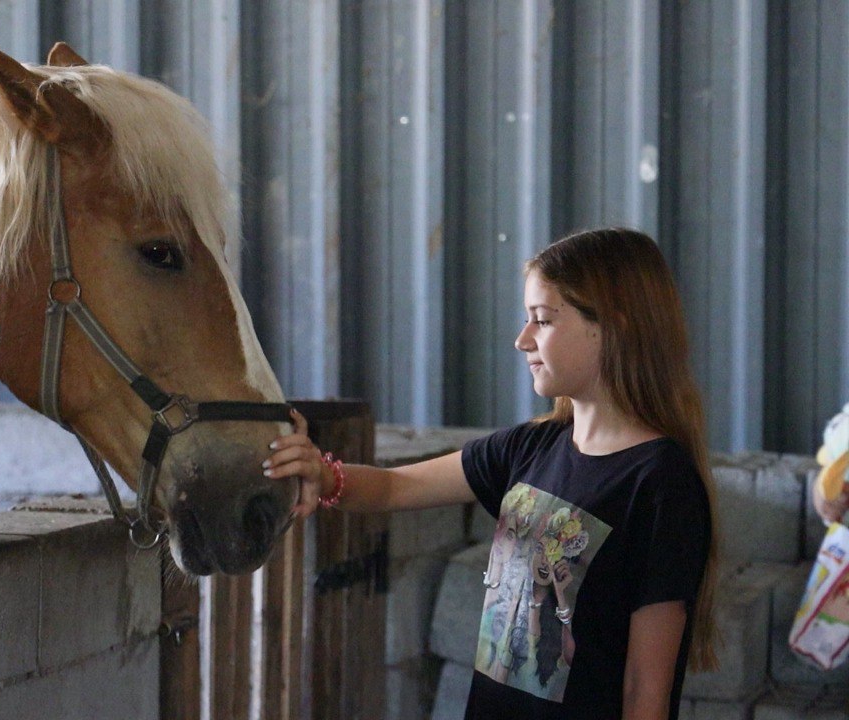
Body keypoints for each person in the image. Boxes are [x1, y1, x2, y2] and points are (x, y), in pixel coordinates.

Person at [266, 228, 718, 720]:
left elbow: (644, 691)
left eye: (542, 320)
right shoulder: (530, 447)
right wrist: (323, 475)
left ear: (613, 328)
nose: (522, 339)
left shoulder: (660, 483)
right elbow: (396, 485)